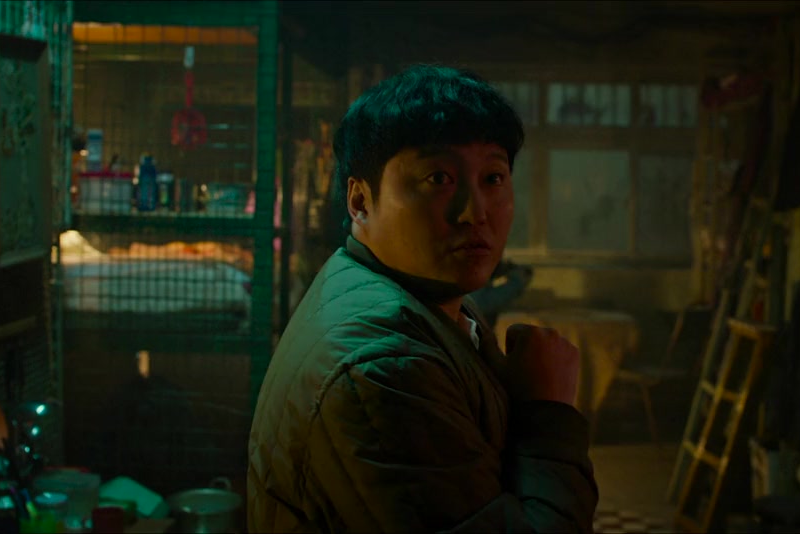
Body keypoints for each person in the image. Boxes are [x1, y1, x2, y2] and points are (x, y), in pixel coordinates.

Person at [247, 65, 598, 533]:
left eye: (493, 178)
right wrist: (548, 413)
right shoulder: (383, 366)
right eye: (438, 178)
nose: (475, 212)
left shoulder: (420, 296)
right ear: (360, 201)